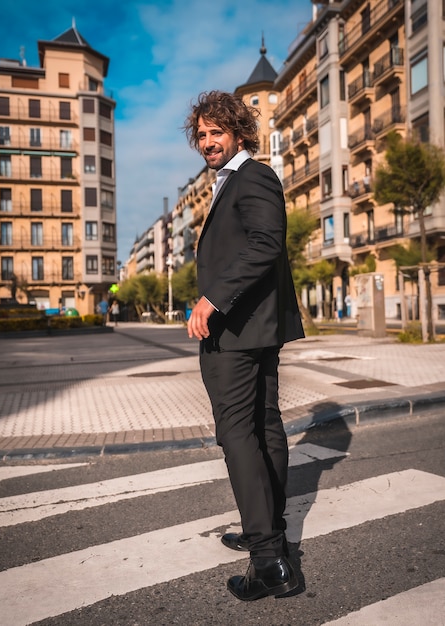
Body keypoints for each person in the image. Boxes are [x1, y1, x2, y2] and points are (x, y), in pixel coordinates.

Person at [184, 91, 305, 601]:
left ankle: (267, 559)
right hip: (255, 327)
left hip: (236, 330)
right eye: (202, 134)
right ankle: (268, 532)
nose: (209, 141)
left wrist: (211, 298)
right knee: (264, 424)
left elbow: (265, 243)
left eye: (217, 132)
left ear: (238, 132)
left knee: (237, 432)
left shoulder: (252, 175)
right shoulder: (230, 181)